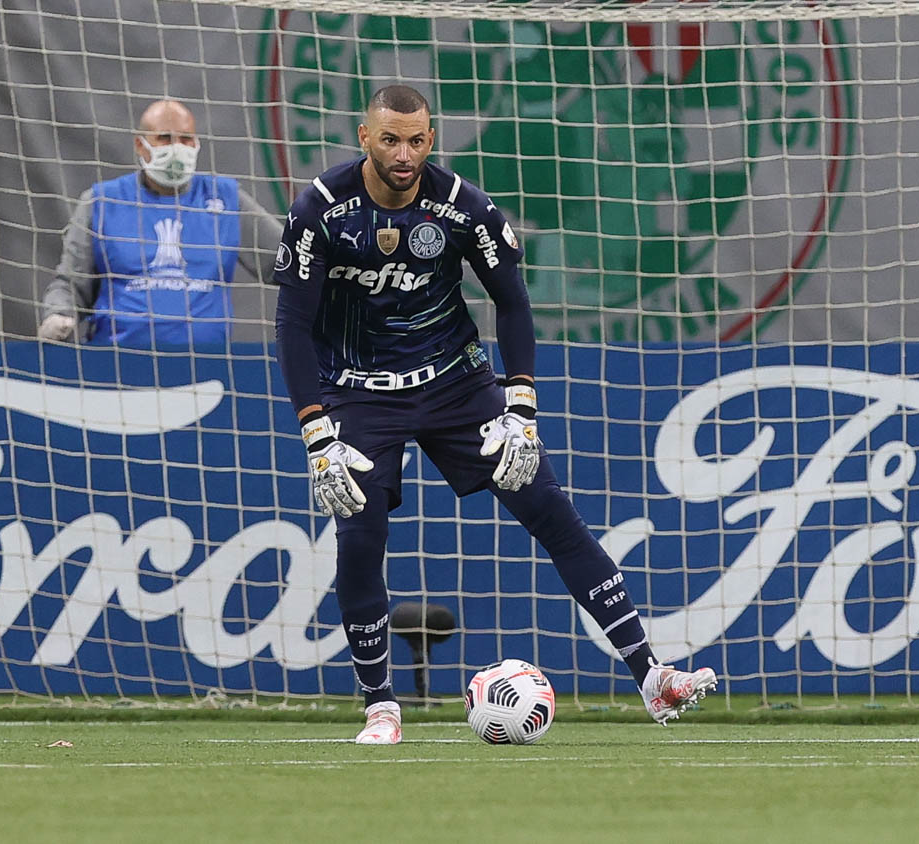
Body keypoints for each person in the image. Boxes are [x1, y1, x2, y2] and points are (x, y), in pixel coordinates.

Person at [273, 85, 718, 745]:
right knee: (359, 537)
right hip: (358, 392)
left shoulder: (464, 207)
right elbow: (291, 323)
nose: (404, 154)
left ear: (432, 139)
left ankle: (652, 677)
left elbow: (513, 304)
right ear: (365, 137)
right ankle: (381, 707)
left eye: (416, 140)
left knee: (550, 510)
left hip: (455, 383)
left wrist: (521, 407)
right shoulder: (319, 210)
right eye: (390, 139)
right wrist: (316, 431)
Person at [40, 99, 281, 347]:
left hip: (209, 361)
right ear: (140, 145)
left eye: (186, 139)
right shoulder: (101, 202)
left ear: (197, 143)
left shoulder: (226, 198)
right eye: (165, 138)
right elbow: (70, 284)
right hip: (116, 360)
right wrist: (58, 314)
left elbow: (288, 261)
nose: (177, 148)